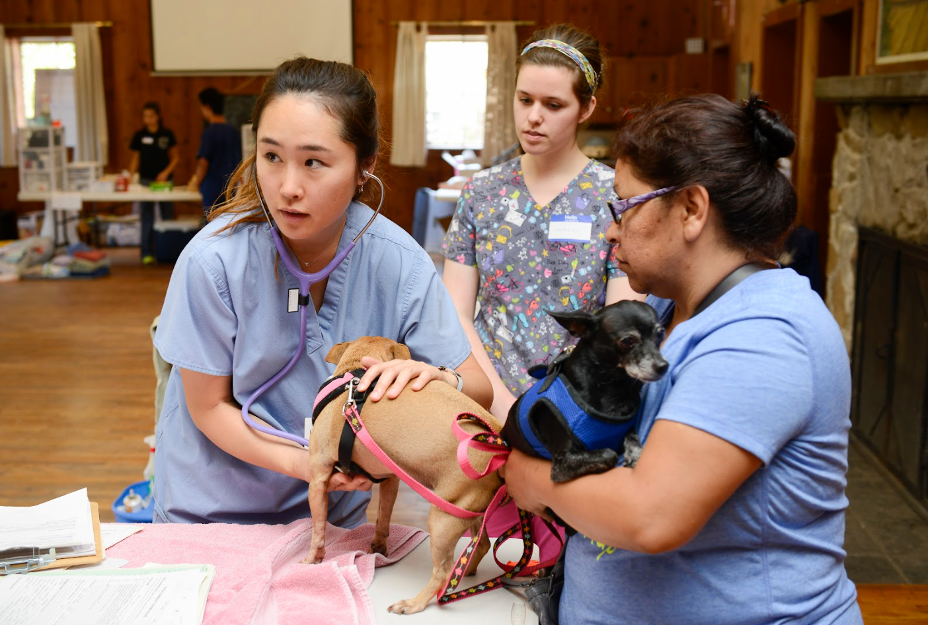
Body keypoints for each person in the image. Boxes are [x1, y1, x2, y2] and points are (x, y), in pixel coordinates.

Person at [502, 94, 863, 624]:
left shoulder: (764, 335)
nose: (610, 230)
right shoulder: (670, 307)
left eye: (623, 208)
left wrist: (531, 477)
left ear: (691, 210)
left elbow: (650, 516)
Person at [152, 57, 492, 526]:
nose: (288, 187)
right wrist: (304, 463)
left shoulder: (397, 261)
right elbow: (208, 407)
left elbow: (476, 386)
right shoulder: (213, 261)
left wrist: (432, 377)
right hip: (210, 510)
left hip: (332, 518)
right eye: (271, 157)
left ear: (364, 166)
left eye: (314, 162)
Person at [441, 24, 642, 422]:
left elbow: (621, 320)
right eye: (524, 99)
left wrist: (562, 408)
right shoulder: (482, 192)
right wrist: (500, 404)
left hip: (579, 402)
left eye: (553, 105)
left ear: (585, 109)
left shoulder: (615, 197)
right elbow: (455, 313)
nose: (533, 117)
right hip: (486, 399)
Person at [129, 102, 179, 265]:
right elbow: (135, 158)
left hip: (164, 182)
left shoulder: (167, 135)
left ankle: (169, 251)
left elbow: (175, 158)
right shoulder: (139, 136)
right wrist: (131, 177)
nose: (148, 120)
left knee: (167, 215)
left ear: (157, 116)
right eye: (145, 116)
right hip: (145, 181)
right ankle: (146, 252)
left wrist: (165, 173)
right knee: (147, 216)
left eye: (150, 116)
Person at [187, 87, 243, 220]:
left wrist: (195, 184)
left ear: (207, 107)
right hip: (230, 189)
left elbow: (203, 163)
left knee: (211, 227)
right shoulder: (233, 131)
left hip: (212, 191)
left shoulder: (210, 132)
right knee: (227, 226)